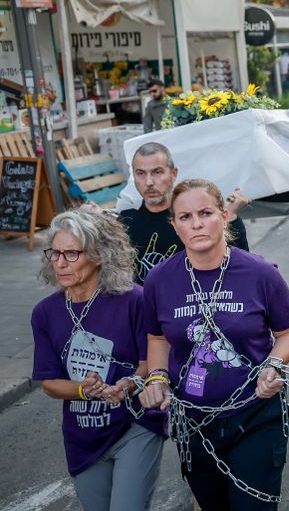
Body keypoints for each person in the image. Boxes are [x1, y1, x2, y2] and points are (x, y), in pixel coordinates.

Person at [139, 178, 289, 510]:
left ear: (224, 216)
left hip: (254, 415)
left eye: (206, 213)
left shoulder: (260, 273)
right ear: (174, 224)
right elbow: (157, 338)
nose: (197, 224)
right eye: (185, 217)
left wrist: (273, 365)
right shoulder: (159, 279)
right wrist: (156, 377)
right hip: (195, 422)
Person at [31, 209, 167, 511]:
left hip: (135, 424)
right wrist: (84, 389)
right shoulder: (45, 313)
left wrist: (129, 383)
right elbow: (49, 383)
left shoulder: (134, 299)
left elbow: (152, 360)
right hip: (83, 435)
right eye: (54, 253)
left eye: (71, 254)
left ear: (98, 255)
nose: (60, 263)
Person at [119, 142, 250, 284]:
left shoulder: (196, 220)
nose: (149, 182)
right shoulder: (125, 222)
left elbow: (239, 268)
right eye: (141, 173)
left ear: (173, 174)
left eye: (157, 172)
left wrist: (229, 219)